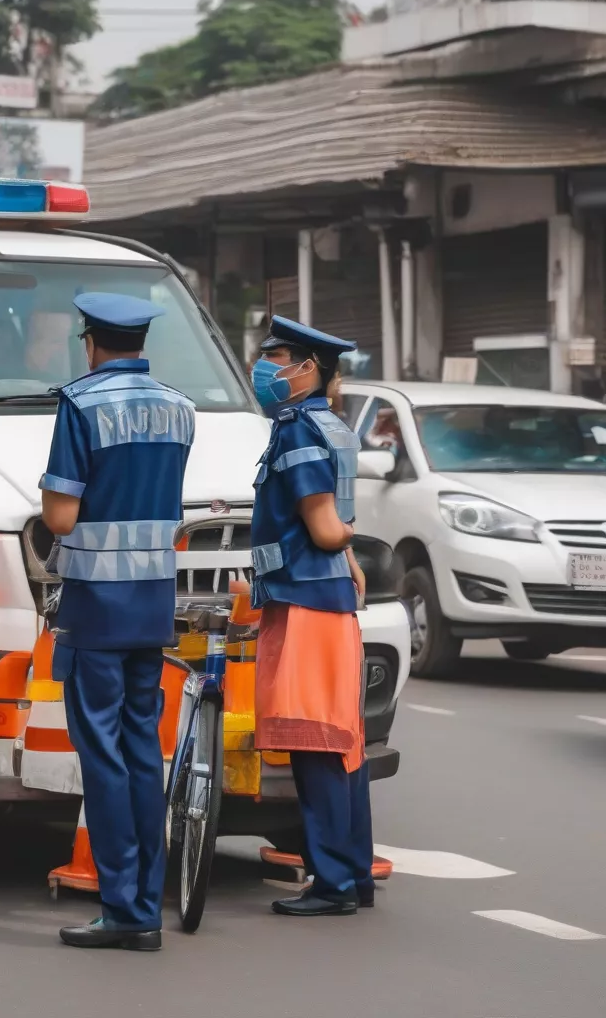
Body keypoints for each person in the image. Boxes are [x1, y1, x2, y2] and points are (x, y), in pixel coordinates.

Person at [38, 291, 196, 951]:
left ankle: (124, 907)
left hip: (97, 604)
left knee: (102, 755)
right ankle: (145, 908)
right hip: (154, 601)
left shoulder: (79, 404)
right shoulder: (180, 409)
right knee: (141, 752)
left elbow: (60, 517)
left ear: (90, 340)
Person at [249, 315, 373, 917]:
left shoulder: (297, 431)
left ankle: (332, 884)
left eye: (276, 359)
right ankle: (353, 873)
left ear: (307, 369)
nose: (265, 370)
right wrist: (349, 551)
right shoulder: (333, 426)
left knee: (316, 740)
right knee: (344, 740)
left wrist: (344, 540)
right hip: (327, 598)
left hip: (306, 598)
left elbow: (324, 527)